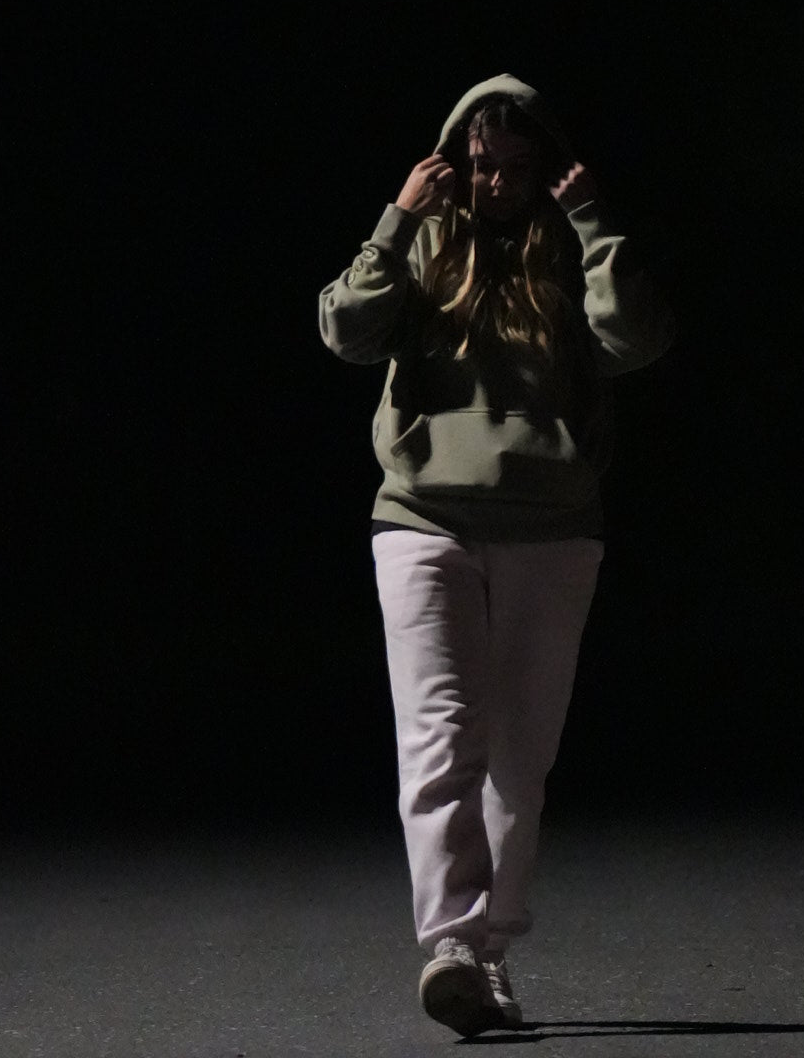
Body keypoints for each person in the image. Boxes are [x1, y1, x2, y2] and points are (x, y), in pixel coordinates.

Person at [319, 74, 674, 1036]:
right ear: (457, 161)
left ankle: (490, 952)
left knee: (519, 758)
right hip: (421, 517)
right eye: (482, 164)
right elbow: (346, 331)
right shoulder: (427, 238)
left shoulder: (569, 246)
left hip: (551, 525)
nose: (498, 182)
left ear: (547, 166)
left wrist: (593, 224)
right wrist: (397, 218)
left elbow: (635, 341)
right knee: (439, 737)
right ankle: (451, 944)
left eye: (518, 165)